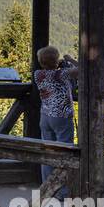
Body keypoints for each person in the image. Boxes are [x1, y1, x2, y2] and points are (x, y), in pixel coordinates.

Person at [33, 46, 78, 195]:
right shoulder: (61, 75)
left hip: (45, 116)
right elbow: (83, 69)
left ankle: (47, 189)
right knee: (64, 154)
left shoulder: (38, 74)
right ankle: (62, 191)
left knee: (48, 153)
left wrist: (56, 63)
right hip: (61, 117)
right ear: (55, 60)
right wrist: (70, 59)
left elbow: (51, 69)